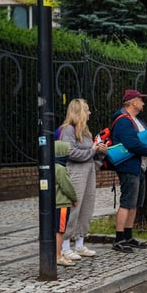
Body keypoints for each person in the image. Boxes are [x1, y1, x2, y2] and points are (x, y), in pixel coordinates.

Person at [111, 89, 147, 253]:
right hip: (129, 166)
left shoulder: (138, 120)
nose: (143, 103)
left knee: (135, 203)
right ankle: (119, 239)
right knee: (127, 202)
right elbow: (131, 143)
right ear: (132, 102)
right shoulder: (123, 121)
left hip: (140, 165)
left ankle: (128, 235)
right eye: (141, 100)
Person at [58, 98, 106, 261]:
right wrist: (92, 150)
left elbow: (91, 154)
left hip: (88, 170)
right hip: (76, 172)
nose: (90, 112)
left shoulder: (85, 131)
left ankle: (79, 242)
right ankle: (64, 246)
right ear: (79, 112)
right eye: (87, 109)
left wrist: (100, 151)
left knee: (87, 205)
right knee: (73, 207)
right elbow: (70, 152)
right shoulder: (68, 130)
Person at [54, 141, 79, 267]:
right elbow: (67, 187)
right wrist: (74, 198)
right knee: (60, 230)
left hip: (53, 204)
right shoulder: (61, 169)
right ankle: (58, 256)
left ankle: (56, 254)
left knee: (54, 230)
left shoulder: (51, 166)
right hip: (62, 203)